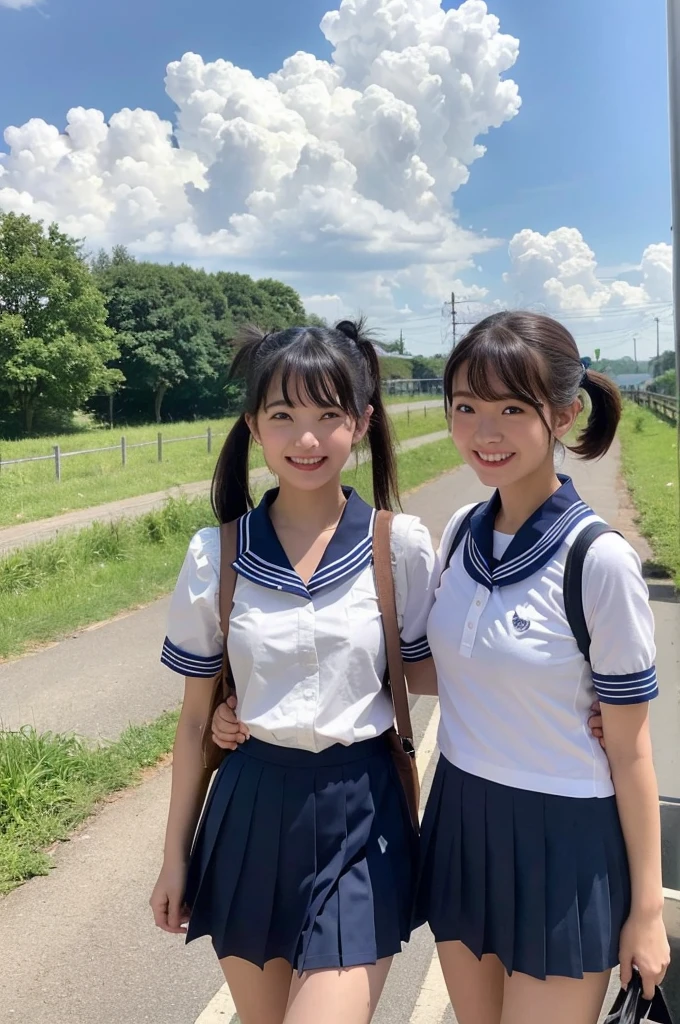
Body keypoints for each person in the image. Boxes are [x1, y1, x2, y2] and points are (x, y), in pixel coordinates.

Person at [149, 320, 439, 1024]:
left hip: (362, 813)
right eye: (283, 416)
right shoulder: (214, 555)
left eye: (328, 416)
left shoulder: (397, 547)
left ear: (363, 423)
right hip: (250, 810)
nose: (305, 440)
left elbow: (443, 670)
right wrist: (174, 858)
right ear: (253, 426)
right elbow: (194, 724)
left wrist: (571, 689)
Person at [416, 311, 670, 1024]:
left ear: (563, 414)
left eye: (510, 409)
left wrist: (647, 912)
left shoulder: (600, 562)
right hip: (463, 816)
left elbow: (632, 749)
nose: (483, 432)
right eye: (465, 407)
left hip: (565, 839)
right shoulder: (460, 531)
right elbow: (449, 671)